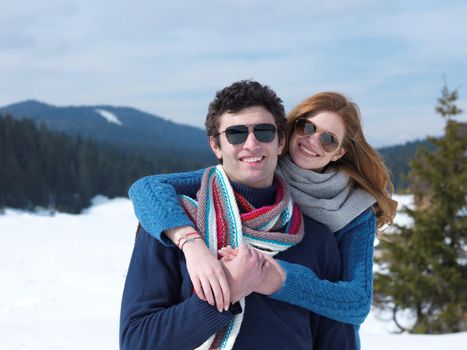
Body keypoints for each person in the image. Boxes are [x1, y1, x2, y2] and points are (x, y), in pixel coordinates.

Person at [120, 80, 356, 349]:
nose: (252, 144)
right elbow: (137, 342)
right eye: (236, 134)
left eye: (264, 132)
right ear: (216, 146)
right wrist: (229, 291)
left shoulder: (315, 237)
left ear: (280, 142)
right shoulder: (173, 225)